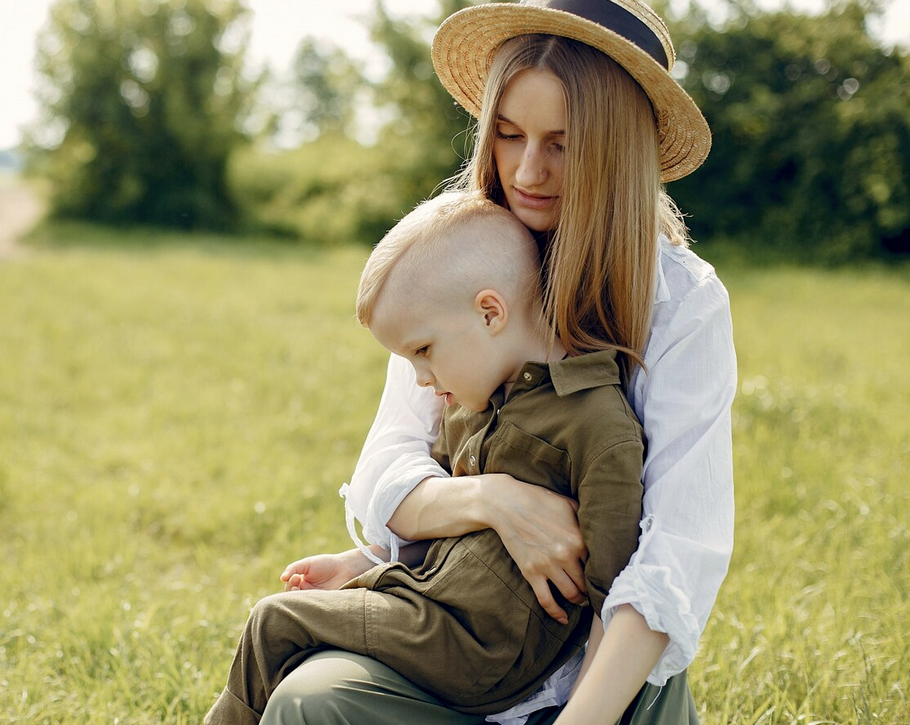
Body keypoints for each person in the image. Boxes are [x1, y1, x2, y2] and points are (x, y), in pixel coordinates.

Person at [261, 1, 737, 724]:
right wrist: (497, 501)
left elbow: (675, 553)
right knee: (308, 698)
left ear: (614, 148)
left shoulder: (680, 303)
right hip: (455, 647)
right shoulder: (454, 261)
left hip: (604, 672)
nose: (525, 170)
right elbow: (388, 468)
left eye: (561, 143)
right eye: (508, 135)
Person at [205, 191, 645, 724]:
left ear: (490, 313)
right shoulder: (477, 403)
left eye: (423, 350)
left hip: (483, 651)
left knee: (275, 623)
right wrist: (363, 562)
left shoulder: (597, 424)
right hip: (433, 606)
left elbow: (615, 593)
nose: (421, 378)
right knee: (292, 641)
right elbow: (455, 536)